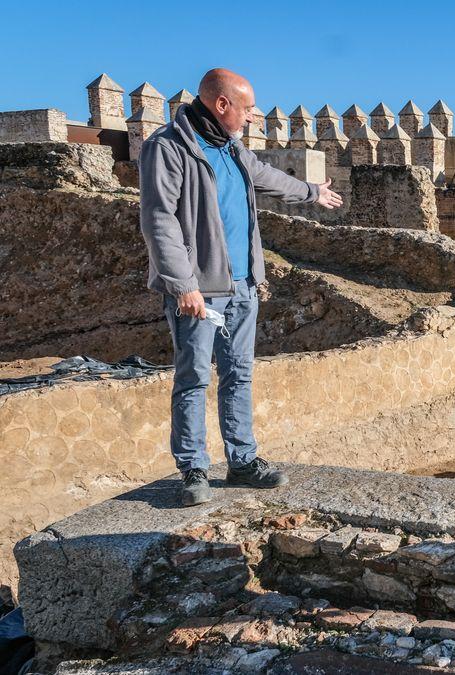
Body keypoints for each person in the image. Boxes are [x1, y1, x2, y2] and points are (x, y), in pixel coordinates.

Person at [139, 68, 343, 506]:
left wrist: (311, 191)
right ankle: (193, 470)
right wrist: (183, 285)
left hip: (243, 285)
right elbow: (159, 222)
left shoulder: (229, 146)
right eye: (247, 108)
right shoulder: (168, 147)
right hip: (199, 292)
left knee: (239, 374)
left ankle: (242, 460)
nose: (253, 117)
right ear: (222, 104)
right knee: (193, 377)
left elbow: (266, 176)